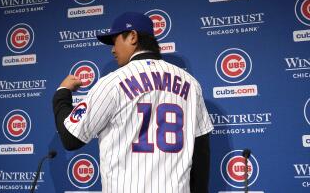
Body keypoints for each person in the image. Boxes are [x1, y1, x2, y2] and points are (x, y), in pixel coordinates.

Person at [53, 12, 213, 193]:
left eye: (115, 41)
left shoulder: (112, 82)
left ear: (133, 37)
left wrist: (62, 94)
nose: (113, 49)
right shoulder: (191, 83)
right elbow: (201, 153)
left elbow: (70, 138)